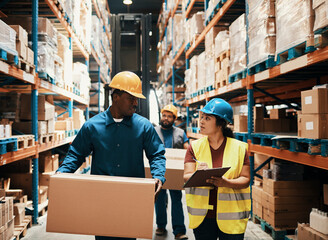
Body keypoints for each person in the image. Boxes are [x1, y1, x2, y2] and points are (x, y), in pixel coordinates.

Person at [57, 71, 167, 240]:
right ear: (116, 97)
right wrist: (62, 175)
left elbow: (157, 155)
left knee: (129, 237)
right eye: (131, 98)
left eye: (136, 99)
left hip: (131, 197)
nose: (135, 103)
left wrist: (158, 176)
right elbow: (76, 154)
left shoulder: (144, 127)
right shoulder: (92, 127)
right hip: (102, 198)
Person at [183, 98, 251, 240]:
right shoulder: (194, 147)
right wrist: (198, 174)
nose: (201, 121)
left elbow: (246, 179)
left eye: (207, 118)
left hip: (232, 218)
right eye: (202, 117)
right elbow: (186, 175)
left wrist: (227, 183)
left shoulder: (239, 148)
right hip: (202, 217)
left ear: (220, 123)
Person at [154, 104, 189, 240]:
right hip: (159, 171)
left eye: (169, 116)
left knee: (176, 199)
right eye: (164, 115)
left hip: (174, 173)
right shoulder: (154, 131)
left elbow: (188, 149)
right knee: (159, 199)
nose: (166, 119)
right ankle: (161, 226)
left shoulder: (180, 133)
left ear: (174, 119)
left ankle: (179, 230)